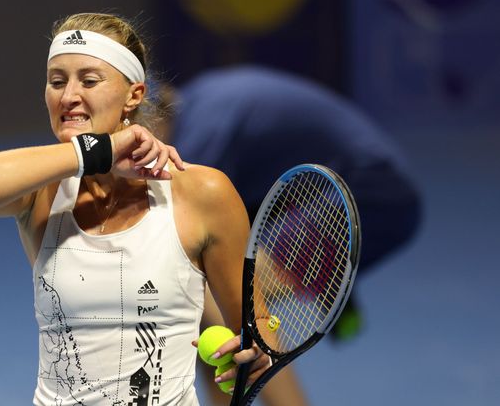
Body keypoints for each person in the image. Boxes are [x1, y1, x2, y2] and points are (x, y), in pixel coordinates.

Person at [0, 13, 283, 405]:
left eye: (89, 81)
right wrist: (99, 151)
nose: (68, 96)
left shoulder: (203, 192)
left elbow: (258, 323)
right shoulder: (43, 191)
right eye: (57, 81)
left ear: (134, 95)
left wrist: (259, 352)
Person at [156, 65, 422, 403]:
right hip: (318, 195)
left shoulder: (201, 133)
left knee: (233, 307)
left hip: (369, 193)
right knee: (214, 320)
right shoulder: (196, 104)